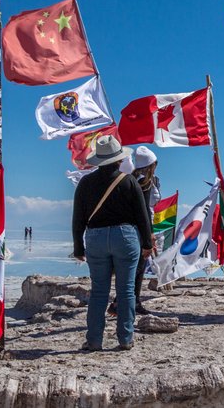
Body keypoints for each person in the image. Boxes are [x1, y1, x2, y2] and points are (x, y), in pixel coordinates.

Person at [72, 134, 153, 352]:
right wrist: (147, 243)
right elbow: (142, 216)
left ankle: (94, 340)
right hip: (125, 238)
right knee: (126, 289)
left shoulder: (85, 183)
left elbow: (78, 217)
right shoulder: (129, 182)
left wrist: (78, 247)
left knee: (99, 290)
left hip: (96, 238)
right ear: (119, 159)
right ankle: (125, 339)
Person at [111, 146, 160, 317]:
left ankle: (126, 301)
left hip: (129, 228)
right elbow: (144, 210)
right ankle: (127, 302)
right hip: (139, 230)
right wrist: (150, 234)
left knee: (133, 267)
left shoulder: (129, 179)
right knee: (137, 268)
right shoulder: (143, 182)